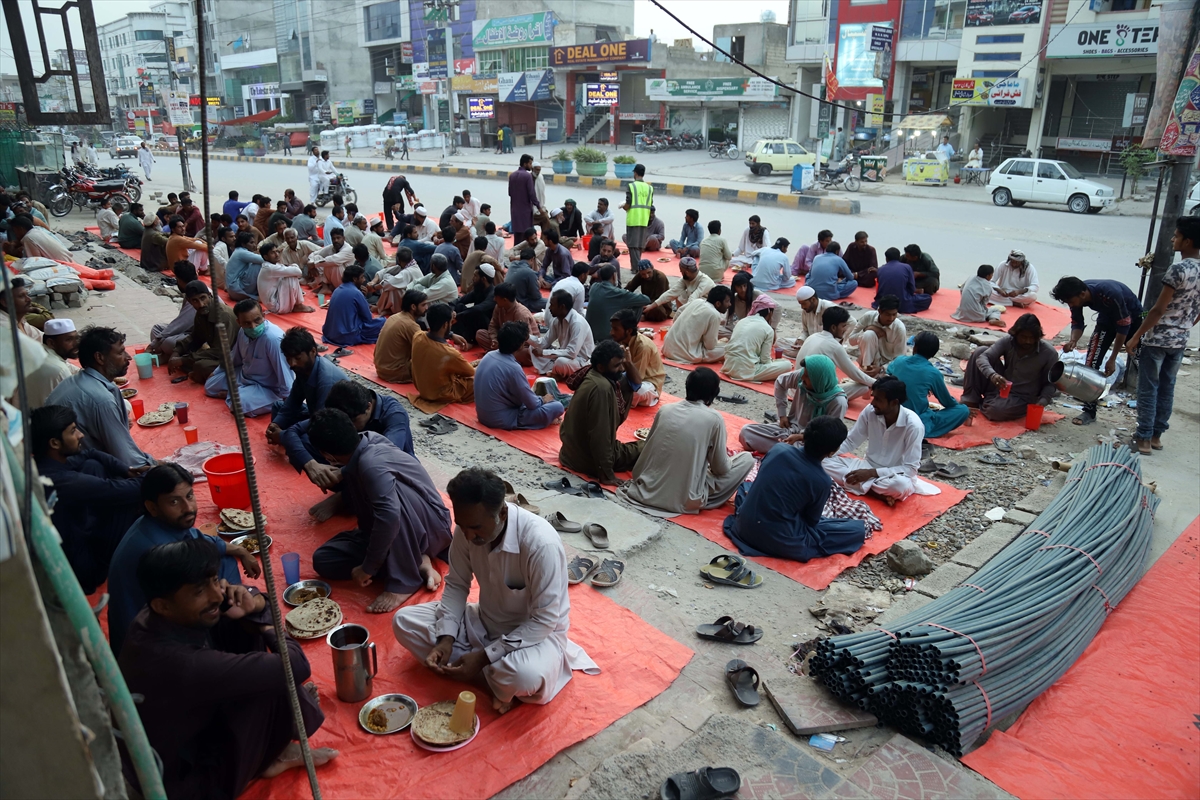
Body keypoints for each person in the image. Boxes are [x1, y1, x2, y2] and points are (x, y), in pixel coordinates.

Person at [117, 537, 336, 798]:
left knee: (239, 624)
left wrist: (255, 603)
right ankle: (269, 754)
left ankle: (276, 736)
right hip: (188, 786)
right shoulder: (181, 664)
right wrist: (266, 625)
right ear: (162, 605)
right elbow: (295, 666)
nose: (217, 594)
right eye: (199, 591)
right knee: (271, 674)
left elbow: (246, 601)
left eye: (214, 581)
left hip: (184, 738)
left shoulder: (157, 614)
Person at [393, 467, 598, 713]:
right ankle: (491, 680)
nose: (468, 536)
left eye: (476, 528)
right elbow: (457, 585)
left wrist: (483, 657)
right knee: (404, 621)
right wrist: (446, 639)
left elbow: (544, 621)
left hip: (535, 637)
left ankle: (483, 671)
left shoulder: (540, 544)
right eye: (462, 526)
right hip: (483, 621)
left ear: (502, 513)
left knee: (525, 675)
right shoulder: (466, 530)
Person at [308, 409, 452, 613]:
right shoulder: (370, 439)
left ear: (328, 456)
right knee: (324, 558)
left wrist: (368, 568)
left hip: (429, 529)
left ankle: (405, 579)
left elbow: (389, 517)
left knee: (390, 512)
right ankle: (419, 560)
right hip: (414, 531)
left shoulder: (370, 465)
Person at [107, 464, 257, 656]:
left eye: (189, 496)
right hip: (150, 646)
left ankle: (231, 615)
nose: (188, 508)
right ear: (152, 507)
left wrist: (241, 551)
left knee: (225, 561)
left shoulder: (159, 523)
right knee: (242, 609)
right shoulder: (157, 550)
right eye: (174, 502)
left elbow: (200, 539)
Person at [32, 405, 144, 594]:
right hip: (83, 568)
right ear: (55, 443)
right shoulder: (62, 481)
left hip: (74, 530)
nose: (81, 435)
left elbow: (90, 453)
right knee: (134, 500)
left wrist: (126, 470)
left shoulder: (43, 464)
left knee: (92, 465)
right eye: (73, 431)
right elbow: (123, 490)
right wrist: (159, 473)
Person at [724, 416, 866, 561]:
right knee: (857, 530)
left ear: (804, 437)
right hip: (778, 539)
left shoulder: (778, 449)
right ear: (833, 451)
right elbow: (811, 522)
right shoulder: (822, 481)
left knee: (747, 488)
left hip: (743, 527)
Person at [622, 366, 754, 514]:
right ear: (713, 393)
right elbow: (721, 469)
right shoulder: (714, 419)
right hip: (684, 497)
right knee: (747, 459)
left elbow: (648, 452)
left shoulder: (665, 410)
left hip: (646, 488)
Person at [1125, 216, 1200, 454]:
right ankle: (1156, 436)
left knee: (1148, 388)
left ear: (1187, 241)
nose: (1172, 239)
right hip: (1180, 340)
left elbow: (1158, 310)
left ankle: (1143, 438)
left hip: (1157, 339)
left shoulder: (1178, 269)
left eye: (1176, 236)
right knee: (1167, 388)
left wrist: (1136, 336)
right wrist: (1185, 324)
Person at [46, 326, 154, 468]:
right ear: (100, 358)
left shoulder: (75, 380)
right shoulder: (102, 400)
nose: (128, 357)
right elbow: (130, 462)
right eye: (120, 352)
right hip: (78, 471)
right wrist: (154, 464)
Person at [824, 376, 932, 505]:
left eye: (878, 399)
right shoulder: (870, 411)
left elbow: (910, 469)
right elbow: (851, 441)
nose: (872, 403)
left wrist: (872, 473)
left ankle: (860, 486)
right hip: (867, 465)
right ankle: (874, 492)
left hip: (893, 475)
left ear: (894, 402)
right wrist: (826, 453)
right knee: (822, 461)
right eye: (873, 397)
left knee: (899, 486)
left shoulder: (913, 425)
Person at [1053, 276, 1143, 425]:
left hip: (1132, 320)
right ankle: (1089, 411)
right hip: (1106, 319)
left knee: (1140, 360)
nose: (1070, 305)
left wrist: (1112, 358)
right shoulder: (1075, 295)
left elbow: (1123, 326)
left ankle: (1147, 406)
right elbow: (1077, 321)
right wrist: (1073, 340)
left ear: (1082, 294)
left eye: (1071, 302)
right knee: (1091, 363)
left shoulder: (1110, 293)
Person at [558, 340, 645, 484]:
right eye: (617, 366)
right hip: (586, 459)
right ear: (601, 367)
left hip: (570, 453)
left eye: (622, 364)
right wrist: (606, 474)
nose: (621, 369)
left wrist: (628, 363)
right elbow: (600, 435)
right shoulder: (602, 389)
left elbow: (635, 383)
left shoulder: (594, 374)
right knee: (652, 446)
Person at [739, 354, 847, 453]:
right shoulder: (801, 377)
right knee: (746, 432)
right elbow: (780, 382)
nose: (802, 378)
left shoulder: (838, 402)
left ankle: (786, 452)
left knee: (812, 452)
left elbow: (829, 436)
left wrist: (801, 437)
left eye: (807, 376)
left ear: (819, 380)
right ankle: (787, 453)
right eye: (804, 374)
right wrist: (782, 414)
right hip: (789, 429)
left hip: (810, 441)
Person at [961, 313, 1059, 422]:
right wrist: (992, 375)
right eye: (1023, 337)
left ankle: (990, 403)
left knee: (996, 411)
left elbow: (1050, 383)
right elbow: (983, 357)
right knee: (980, 351)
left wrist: (1042, 401)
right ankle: (972, 399)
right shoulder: (1009, 341)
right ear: (1015, 335)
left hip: (1022, 397)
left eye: (1032, 338)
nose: (1028, 341)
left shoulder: (1049, 353)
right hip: (1001, 385)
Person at [204, 299, 294, 417]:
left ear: (263, 316)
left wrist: (288, 402)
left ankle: (249, 397)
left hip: (267, 387)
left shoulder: (272, 339)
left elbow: (285, 375)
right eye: (247, 323)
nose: (253, 327)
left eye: (257, 320)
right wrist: (217, 371)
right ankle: (238, 394)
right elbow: (234, 357)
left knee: (239, 405)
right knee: (210, 386)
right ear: (239, 322)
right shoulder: (243, 332)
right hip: (245, 376)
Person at [476, 322, 566, 430]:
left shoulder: (489, 355)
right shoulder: (513, 368)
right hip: (500, 419)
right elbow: (532, 404)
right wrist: (543, 399)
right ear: (521, 345)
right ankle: (545, 419)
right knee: (557, 406)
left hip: (483, 415)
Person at [887, 332, 970, 439]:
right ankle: (924, 430)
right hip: (914, 422)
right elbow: (947, 402)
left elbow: (889, 373)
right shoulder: (933, 373)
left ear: (915, 347)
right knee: (963, 410)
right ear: (933, 354)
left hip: (889, 414)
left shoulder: (899, 361)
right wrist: (959, 406)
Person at [796, 306, 876, 401]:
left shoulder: (812, 336)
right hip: (812, 393)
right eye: (843, 326)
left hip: (796, 388)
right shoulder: (834, 346)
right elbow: (855, 374)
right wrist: (877, 383)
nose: (845, 329)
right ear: (833, 327)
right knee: (864, 387)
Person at [169, 281, 238, 385]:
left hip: (233, 356)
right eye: (195, 301)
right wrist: (177, 351)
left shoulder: (223, 316)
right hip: (217, 353)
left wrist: (184, 360)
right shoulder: (201, 313)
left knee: (201, 365)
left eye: (203, 298)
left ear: (209, 296)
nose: (201, 304)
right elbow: (196, 337)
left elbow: (220, 351)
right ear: (189, 301)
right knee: (182, 355)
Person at [411, 303, 475, 406]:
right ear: (445, 325)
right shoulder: (449, 353)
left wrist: (451, 335)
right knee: (480, 379)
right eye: (451, 322)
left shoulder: (417, 336)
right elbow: (471, 372)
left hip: (422, 390)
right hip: (441, 395)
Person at [722, 294, 792, 382]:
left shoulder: (742, 321)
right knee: (787, 365)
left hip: (728, 367)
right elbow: (765, 360)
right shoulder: (768, 329)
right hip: (746, 372)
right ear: (770, 313)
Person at [662, 284, 731, 364]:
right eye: (727, 301)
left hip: (667, 348)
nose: (730, 304)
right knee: (730, 349)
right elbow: (710, 346)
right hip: (684, 354)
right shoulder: (715, 314)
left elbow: (679, 311)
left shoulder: (697, 301)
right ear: (718, 303)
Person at [532, 289, 594, 377]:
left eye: (552, 305)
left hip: (580, 361)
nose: (549, 308)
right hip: (563, 355)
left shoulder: (577, 323)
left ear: (562, 307)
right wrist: (527, 337)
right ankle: (556, 371)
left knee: (561, 362)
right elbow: (545, 342)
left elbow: (572, 353)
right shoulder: (556, 321)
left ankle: (557, 370)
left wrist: (544, 353)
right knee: (533, 347)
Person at [610, 307, 664, 407]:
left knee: (638, 392)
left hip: (647, 383)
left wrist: (627, 363)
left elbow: (637, 380)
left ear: (629, 331)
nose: (611, 332)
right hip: (628, 378)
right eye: (612, 328)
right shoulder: (621, 340)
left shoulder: (643, 346)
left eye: (616, 329)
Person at [323, 265, 385, 345]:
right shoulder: (356, 293)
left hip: (330, 333)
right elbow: (368, 318)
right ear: (355, 279)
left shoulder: (337, 289)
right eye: (362, 277)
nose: (364, 280)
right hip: (346, 336)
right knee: (383, 321)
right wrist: (363, 298)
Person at [585, 264, 649, 342]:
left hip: (589, 333)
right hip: (607, 336)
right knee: (638, 305)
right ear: (614, 276)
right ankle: (628, 333)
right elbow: (646, 300)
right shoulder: (618, 293)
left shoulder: (594, 287)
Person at [374, 289, 427, 383]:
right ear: (413, 307)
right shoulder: (410, 325)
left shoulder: (395, 316)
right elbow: (428, 349)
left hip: (381, 369)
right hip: (394, 372)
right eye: (423, 305)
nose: (426, 308)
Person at [26, 318, 80, 407]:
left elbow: (68, 366)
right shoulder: (60, 370)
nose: (76, 344)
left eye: (76, 338)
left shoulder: (40, 352)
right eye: (69, 340)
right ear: (51, 343)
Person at [849, 294, 908, 375]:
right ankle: (867, 369)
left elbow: (900, 358)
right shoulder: (868, 317)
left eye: (894, 314)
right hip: (868, 359)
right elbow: (851, 341)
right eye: (888, 314)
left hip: (887, 365)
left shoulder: (899, 328)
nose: (891, 318)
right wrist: (867, 329)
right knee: (868, 334)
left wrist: (882, 368)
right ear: (879, 311)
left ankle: (871, 373)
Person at [256, 242, 313, 315]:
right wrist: (294, 265)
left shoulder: (271, 265)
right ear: (266, 257)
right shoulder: (270, 268)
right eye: (272, 253)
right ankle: (298, 305)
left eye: (277, 251)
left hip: (274, 301)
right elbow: (298, 272)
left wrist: (291, 267)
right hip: (276, 306)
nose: (277, 254)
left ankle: (297, 304)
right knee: (291, 277)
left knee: (289, 274)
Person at [876, 247, 932, 313]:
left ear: (886, 258)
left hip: (884, 302)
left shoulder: (880, 269)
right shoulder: (907, 267)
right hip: (903, 303)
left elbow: (880, 288)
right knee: (927, 298)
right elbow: (911, 289)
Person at [452, 262, 498, 341]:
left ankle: (469, 340)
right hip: (474, 319)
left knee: (476, 314)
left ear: (483, 279)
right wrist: (451, 311)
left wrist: (458, 316)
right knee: (459, 306)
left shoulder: (493, 295)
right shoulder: (478, 290)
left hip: (486, 325)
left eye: (475, 276)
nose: (473, 278)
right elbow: (460, 300)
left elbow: (478, 309)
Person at [620, 164, 654, 268]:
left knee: (632, 245)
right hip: (644, 219)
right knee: (639, 245)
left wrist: (623, 206)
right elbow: (650, 204)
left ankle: (636, 268)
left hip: (634, 218)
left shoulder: (632, 186)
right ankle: (638, 266)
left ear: (635, 173)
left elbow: (628, 203)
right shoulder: (649, 188)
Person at [0, 276, 43, 342]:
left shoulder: (19, 320)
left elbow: (40, 337)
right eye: (21, 296)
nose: (29, 299)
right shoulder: (5, 328)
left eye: (27, 294)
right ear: (5, 302)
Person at [224, 232, 264, 301]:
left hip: (233, 290)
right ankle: (262, 292)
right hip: (237, 289)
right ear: (243, 244)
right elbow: (264, 260)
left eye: (254, 243)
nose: (254, 245)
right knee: (259, 265)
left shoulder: (238, 251)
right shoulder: (242, 252)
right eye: (251, 243)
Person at [504, 248, 546, 313]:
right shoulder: (529, 273)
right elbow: (536, 296)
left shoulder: (512, 264)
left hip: (508, 299)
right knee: (548, 302)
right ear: (532, 259)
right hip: (520, 303)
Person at [509, 154, 542, 235]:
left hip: (514, 209)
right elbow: (532, 194)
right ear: (525, 164)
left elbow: (510, 193)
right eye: (530, 163)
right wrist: (539, 207)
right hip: (525, 210)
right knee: (526, 234)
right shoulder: (527, 176)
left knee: (517, 235)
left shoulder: (512, 175)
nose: (531, 166)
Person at [698, 219, 732, 284]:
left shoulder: (703, 241)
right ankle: (719, 275)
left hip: (702, 273)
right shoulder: (722, 240)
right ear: (719, 230)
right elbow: (729, 257)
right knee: (726, 258)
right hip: (716, 274)